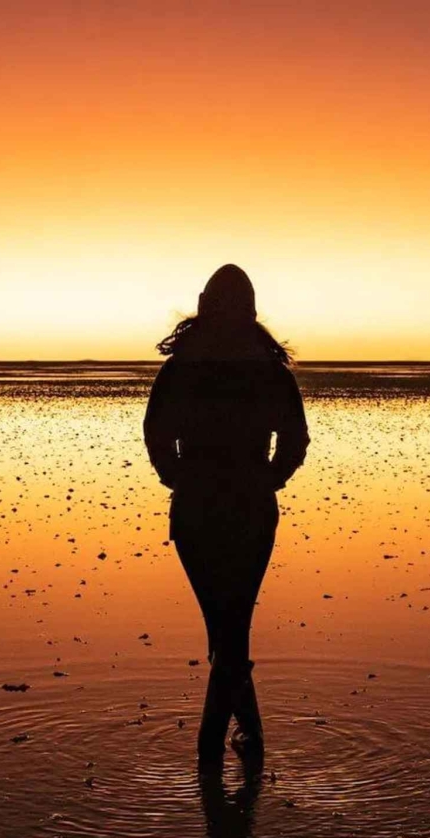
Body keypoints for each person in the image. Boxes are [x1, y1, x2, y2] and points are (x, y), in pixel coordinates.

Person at [143, 264, 309, 764]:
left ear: (204, 303)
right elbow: (294, 443)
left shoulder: (181, 368)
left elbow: (156, 437)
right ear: (251, 310)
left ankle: (221, 755)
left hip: (199, 509)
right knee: (230, 630)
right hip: (248, 509)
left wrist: (180, 478)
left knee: (226, 630)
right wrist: (267, 479)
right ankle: (238, 748)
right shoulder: (269, 369)